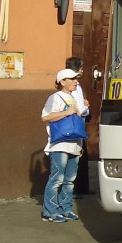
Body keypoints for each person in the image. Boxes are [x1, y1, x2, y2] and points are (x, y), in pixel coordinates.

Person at [40, 68, 89, 223]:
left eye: (76, 78)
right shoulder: (55, 97)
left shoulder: (75, 98)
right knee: (57, 179)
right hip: (59, 145)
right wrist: (66, 112)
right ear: (62, 82)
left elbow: (78, 123)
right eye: (72, 79)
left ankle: (65, 209)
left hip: (74, 145)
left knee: (69, 180)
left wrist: (80, 146)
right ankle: (50, 211)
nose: (76, 81)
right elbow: (45, 117)